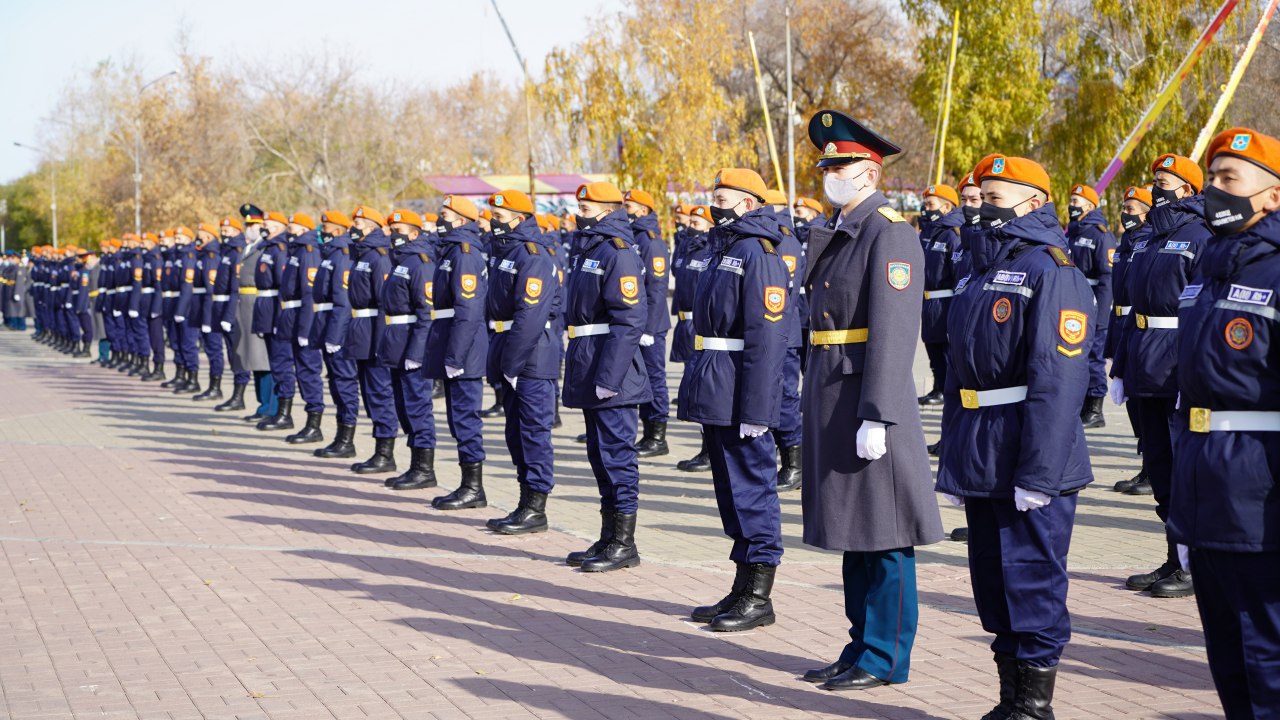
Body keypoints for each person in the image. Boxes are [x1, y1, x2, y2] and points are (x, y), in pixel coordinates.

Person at [936, 153, 1094, 718]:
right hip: (981, 446)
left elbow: (1057, 379)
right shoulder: (978, 269)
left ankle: (1034, 706)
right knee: (993, 584)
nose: (983, 208)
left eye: (996, 198)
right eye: (981, 197)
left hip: (1029, 450)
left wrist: (1040, 474)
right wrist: (952, 461)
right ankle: (1010, 700)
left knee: (1031, 581)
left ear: (1032, 203)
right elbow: (960, 371)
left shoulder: (1053, 270)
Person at [798, 110, 943, 691]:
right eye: (826, 164)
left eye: (841, 164)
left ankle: (885, 656)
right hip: (832, 392)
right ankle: (860, 644)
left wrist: (879, 412)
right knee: (851, 534)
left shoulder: (891, 233)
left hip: (866, 397)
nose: (830, 172)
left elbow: (894, 327)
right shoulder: (840, 228)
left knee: (884, 537)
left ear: (869, 171)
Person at [1169, 126, 1280, 720]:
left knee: (1270, 659)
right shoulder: (1207, 274)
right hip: (1206, 488)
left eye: (1227, 179)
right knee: (1228, 659)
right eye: (1209, 179)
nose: (1212, 190)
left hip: (1262, 500)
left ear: (1272, 197)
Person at [678, 168, 788, 631]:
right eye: (713, 194)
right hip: (716, 382)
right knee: (730, 491)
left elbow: (767, 339)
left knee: (753, 491)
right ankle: (741, 586)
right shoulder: (721, 249)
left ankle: (760, 594)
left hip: (743, 391)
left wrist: (758, 411)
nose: (714, 204)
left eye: (722, 197)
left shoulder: (758, 255)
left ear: (748, 203)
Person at [1110, 153, 1209, 599]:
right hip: (1144, 364)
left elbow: (1202, 313)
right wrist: (1120, 367)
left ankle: (1192, 566)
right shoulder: (1150, 237)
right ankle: (1174, 558)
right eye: (1154, 180)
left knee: (1183, 472)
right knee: (1160, 472)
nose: (1156, 188)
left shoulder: (1200, 236)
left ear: (1187, 190)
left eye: (1164, 181)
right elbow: (1134, 309)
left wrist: (1195, 374)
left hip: (1176, 368)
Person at [563, 181, 650, 571]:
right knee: (600, 456)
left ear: (609, 208)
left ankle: (624, 542)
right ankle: (606, 536)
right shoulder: (591, 246)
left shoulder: (618, 251)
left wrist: (609, 377)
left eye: (586, 204)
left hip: (610, 370)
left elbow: (629, 319)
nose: (579, 209)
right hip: (588, 360)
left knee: (617, 458)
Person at [483, 189, 563, 535]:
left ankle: (536, 507)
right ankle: (523, 502)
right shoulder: (508, 252)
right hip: (509, 347)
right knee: (515, 432)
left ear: (518, 219)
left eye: (499, 218)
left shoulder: (533, 256)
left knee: (533, 433)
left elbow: (529, 315)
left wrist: (512, 364)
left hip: (531, 355)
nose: (493, 223)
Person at [427, 196, 491, 510]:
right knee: (457, 419)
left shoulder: (465, 254)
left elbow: (468, 309)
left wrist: (455, 356)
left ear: (460, 219)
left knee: (466, 419)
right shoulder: (451, 249)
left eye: (444, 214)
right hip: (452, 343)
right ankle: (466, 484)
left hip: (464, 348)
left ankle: (473, 488)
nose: (439, 220)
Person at [1106, 186, 1153, 492]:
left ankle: (1152, 469)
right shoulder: (1125, 243)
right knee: (1131, 403)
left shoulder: (1149, 240)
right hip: (1121, 322)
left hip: (1139, 324)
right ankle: (1146, 465)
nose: (1126, 214)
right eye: (1125, 208)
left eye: (1133, 209)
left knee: (1143, 405)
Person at [346, 206, 399, 475]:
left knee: (380, 393)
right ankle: (379, 448)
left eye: (358, 223)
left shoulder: (379, 257)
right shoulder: (361, 254)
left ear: (371, 227)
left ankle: (385, 452)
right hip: (361, 329)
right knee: (369, 392)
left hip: (374, 332)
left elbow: (383, 302)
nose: (353, 227)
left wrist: (382, 342)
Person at [622, 188, 671, 458]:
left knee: (654, 377)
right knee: (640, 378)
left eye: (629, 206)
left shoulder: (651, 241)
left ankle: (657, 435)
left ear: (643, 210)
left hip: (650, 326)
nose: (624, 210)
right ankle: (645, 430)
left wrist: (650, 328)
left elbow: (657, 286)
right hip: (635, 323)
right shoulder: (631, 237)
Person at [1065, 183, 1117, 428]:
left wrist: (1102, 317)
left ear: (1089, 206)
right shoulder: (1072, 233)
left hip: (1094, 307)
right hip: (1073, 304)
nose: (1071, 206)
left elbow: (1107, 278)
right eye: (1071, 201)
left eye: (1076, 202)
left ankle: (1095, 409)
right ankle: (1081, 404)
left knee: (1094, 357)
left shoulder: (1100, 234)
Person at [311, 211, 360, 459]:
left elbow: (342, 302)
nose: (322, 232)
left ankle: (347, 439)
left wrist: (334, 336)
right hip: (326, 324)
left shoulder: (342, 256)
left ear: (339, 230)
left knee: (344, 384)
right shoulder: (330, 254)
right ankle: (340, 436)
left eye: (326, 227)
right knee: (336, 383)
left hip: (338, 330)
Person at [671, 205, 716, 473]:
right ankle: (706, 448)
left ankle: (709, 451)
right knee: (693, 389)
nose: (692, 225)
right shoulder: (686, 247)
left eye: (698, 222)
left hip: (702, 326)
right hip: (686, 323)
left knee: (702, 389)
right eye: (692, 221)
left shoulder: (710, 251)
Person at [279, 214, 326, 444]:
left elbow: (309, 293)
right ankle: (307, 422)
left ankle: (314, 424)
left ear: (304, 228)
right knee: (299, 371)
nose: (288, 229)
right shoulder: (296, 249)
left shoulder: (308, 251)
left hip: (303, 319)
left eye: (291, 226)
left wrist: (306, 330)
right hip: (292, 317)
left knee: (308, 372)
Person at [917, 184, 964, 407]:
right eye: (925, 204)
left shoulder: (952, 235)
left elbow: (956, 273)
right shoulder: (927, 233)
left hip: (945, 300)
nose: (926, 209)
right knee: (932, 346)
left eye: (931, 205)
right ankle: (938, 387)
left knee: (945, 348)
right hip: (927, 300)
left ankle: (947, 388)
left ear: (946, 207)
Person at [231, 206, 277, 423]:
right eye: (247, 225)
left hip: (260, 301)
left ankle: (271, 406)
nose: (248, 229)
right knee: (252, 356)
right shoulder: (249, 247)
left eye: (253, 225)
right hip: (246, 304)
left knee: (264, 358)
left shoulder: (266, 248)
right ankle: (262, 404)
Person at [254, 212, 297, 431]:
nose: (263, 227)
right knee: (275, 363)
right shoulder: (268, 247)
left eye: (267, 225)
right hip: (266, 310)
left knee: (282, 363)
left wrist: (278, 318)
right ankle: (277, 410)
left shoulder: (279, 250)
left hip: (276, 311)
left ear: (279, 227)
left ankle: (284, 413)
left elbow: (283, 287)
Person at [213, 217, 249, 412]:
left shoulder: (237, 252)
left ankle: (239, 396)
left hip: (232, 309)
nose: (224, 233)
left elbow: (235, 288)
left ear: (236, 231)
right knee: (230, 352)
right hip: (221, 305)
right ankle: (235, 395)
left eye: (227, 230)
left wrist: (228, 316)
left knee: (237, 354)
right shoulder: (225, 251)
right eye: (222, 230)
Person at [192, 226, 226, 401]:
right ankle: (212, 385)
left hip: (210, 311)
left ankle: (216, 387)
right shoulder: (204, 255)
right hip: (201, 308)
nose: (198, 240)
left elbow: (210, 290)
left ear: (208, 237)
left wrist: (207, 318)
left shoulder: (211, 257)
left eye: (201, 237)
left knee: (214, 349)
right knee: (209, 348)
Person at [171, 227, 204, 395]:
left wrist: (181, 310)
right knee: (177, 342)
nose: (177, 240)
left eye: (180, 237)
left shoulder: (189, 256)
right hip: (176, 302)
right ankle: (181, 374)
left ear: (189, 239)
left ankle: (193, 379)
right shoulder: (179, 255)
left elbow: (187, 286)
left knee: (188, 343)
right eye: (176, 237)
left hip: (187, 306)